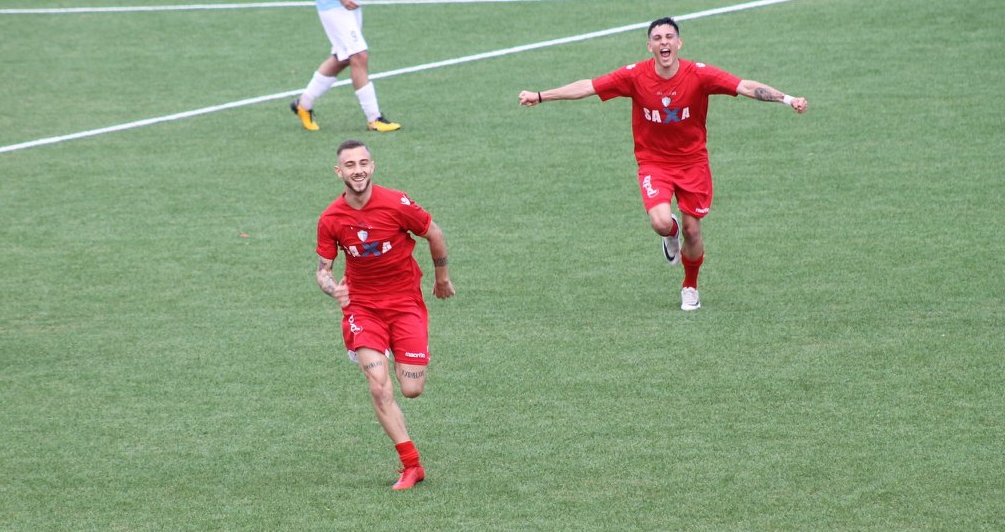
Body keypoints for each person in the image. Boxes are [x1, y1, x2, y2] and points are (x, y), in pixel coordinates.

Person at [518, 17, 807, 311]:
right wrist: (541, 96)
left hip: (693, 163)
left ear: (679, 43)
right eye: (657, 38)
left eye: (669, 37)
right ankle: (671, 234)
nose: (664, 42)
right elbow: (588, 87)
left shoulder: (699, 74)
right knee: (660, 222)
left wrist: (787, 99)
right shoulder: (635, 75)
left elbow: (744, 86)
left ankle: (690, 286)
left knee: (693, 231)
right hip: (653, 163)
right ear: (650, 46)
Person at [315, 139, 455, 490]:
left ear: (372, 166)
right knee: (379, 387)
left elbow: (434, 233)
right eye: (350, 165)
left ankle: (400, 352)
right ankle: (412, 465)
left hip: (405, 303)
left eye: (363, 163)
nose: (358, 170)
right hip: (362, 308)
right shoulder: (331, 218)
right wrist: (332, 288)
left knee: (411, 389)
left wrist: (442, 279)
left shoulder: (396, 203)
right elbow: (323, 270)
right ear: (338, 171)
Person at [289, 0, 401, 132]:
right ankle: (374, 119)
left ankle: (303, 104)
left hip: (350, 5)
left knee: (344, 57)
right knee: (358, 55)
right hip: (335, 5)